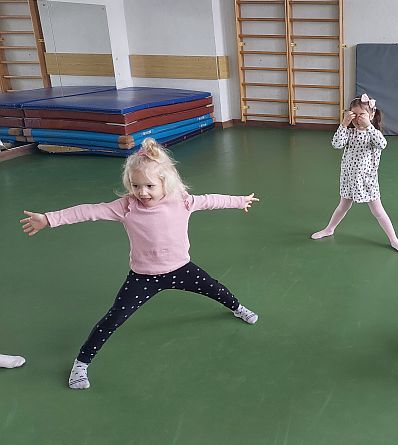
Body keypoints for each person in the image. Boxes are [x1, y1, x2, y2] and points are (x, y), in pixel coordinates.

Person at [20, 138, 260, 389]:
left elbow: (211, 200)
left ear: (166, 183)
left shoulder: (182, 201)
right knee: (113, 318)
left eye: (149, 186)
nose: (142, 192)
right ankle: (81, 364)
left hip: (182, 269)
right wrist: (49, 219)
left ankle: (237, 307)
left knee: (216, 289)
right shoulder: (126, 207)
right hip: (143, 277)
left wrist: (238, 201)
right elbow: (88, 211)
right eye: (135, 186)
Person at [311, 93, 398, 254]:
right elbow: (336, 144)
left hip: (367, 181)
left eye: (361, 114)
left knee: (378, 211)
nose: (357, 119)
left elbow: (382, 144)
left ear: (371, 115)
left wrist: (369, 126)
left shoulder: (373, 134)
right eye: (353, 115)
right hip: (349, 179)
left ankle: (394, 240)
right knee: (343, 206)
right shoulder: (349, 133)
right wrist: (343, 124)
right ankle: (329, 229)